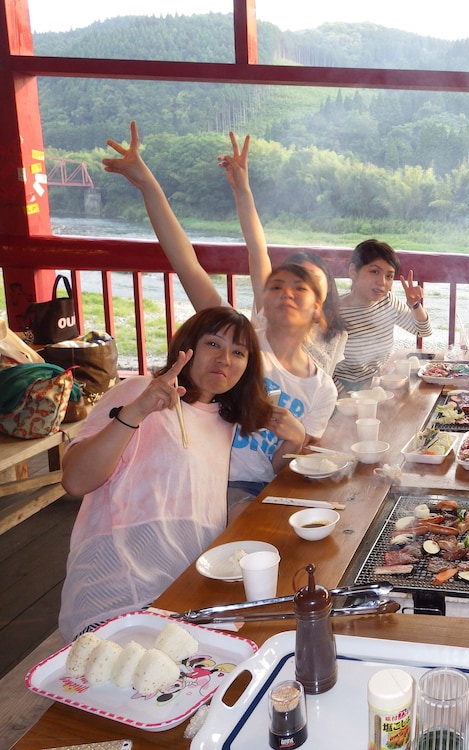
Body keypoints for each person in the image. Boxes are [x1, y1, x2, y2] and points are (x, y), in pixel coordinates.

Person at [102, 121, 337, 503]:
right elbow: (189, 261)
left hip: (255, 491)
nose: (288, 293)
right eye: (279, 284)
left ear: (319, 311)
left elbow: (292, 468)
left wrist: (295, 437)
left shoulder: (322, 388)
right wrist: (148, 183)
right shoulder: (241, 339)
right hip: (195, 475)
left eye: (304, 288)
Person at [58, 307, 272, 641]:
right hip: (114, 599)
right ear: (186, 347)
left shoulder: (223, 421)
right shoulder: (139, 392)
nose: (225, 359)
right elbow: (75, 480)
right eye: (213, 344)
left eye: (238, 352)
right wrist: (136, 412)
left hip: (185, 597)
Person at [218, 132, 348, 376]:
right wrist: (242, 190)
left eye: (311, 280)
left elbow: (326, 384)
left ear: (327, 289)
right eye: (294, 282)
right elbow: (258, 251)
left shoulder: (337, 334)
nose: (299, 289)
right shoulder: (270, 314)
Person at [335, 239, 432, 392]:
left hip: (378, 383)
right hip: (343, 389)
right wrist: (343, 396)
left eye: (389, 276)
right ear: (353, 272)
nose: (382, 282)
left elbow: (423, 331)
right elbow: (322, 366)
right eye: (374, 271)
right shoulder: (335, 311)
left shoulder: (387, 301)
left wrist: (414, 304)